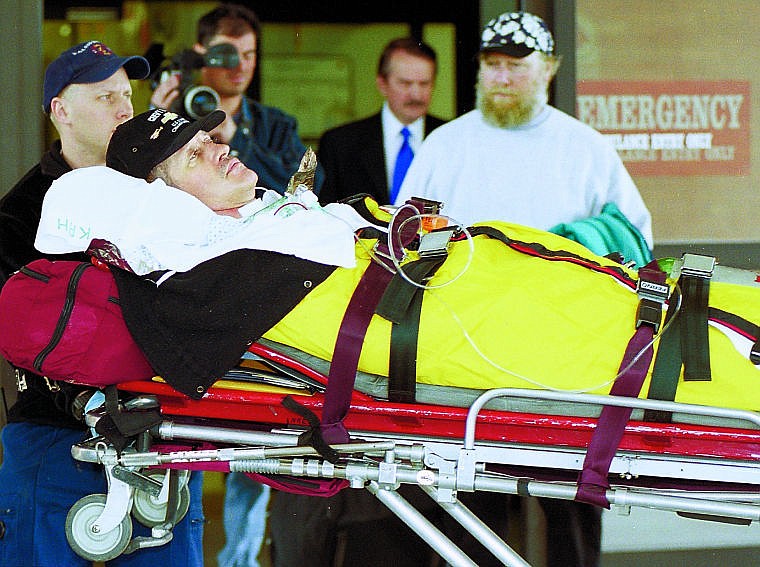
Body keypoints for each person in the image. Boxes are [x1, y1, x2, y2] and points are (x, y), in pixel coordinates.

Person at [395, 11, 654, 567]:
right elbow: (403, 237)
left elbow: (638, 242)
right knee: (470, 506)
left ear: (550, 69)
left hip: (568, 361)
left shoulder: (586, 149)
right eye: (492, 66)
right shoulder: (445, 145)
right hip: (467, 356)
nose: (502, 78)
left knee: (572, 505)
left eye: (517, 66)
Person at [0, 42, 204, 567]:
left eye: (127, 94)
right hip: (56, 439)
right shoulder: (20, 214)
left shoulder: (172, 192)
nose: (122, 108)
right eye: (103, 96)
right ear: (59, 111)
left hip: (168, 440)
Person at [150, 2, 323, 196]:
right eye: (227, 56)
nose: (240, 66)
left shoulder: (277, 125)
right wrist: (156, 122)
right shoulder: (172, 114)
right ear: (201, 54)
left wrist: (236, 138)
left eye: (248, 55)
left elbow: (308, 188)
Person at [318, 37, 446, 206]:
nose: (416, 94)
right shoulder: (340, 143)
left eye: (424, 84)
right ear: (382, 84)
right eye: (405, 83)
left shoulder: (451, 138)